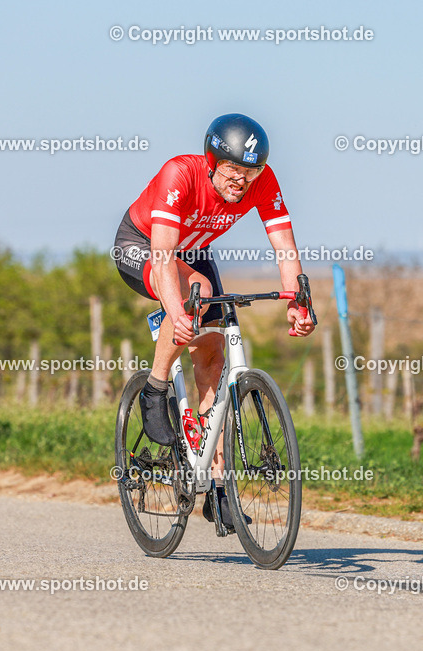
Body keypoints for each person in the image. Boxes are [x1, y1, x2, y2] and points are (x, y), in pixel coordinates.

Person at [113, 113, 315, 530]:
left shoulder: (264, 181)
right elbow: (165, 255)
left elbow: (283, 243)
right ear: (211, 161)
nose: (242, 181)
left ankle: (219, 488)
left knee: (213, 359)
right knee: (199, 291)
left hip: (194, 252)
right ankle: (155, 387)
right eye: (233, 170)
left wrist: (297, 300)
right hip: (142, 245)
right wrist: (175, 311)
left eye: (251, 171)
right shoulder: (180, 174)